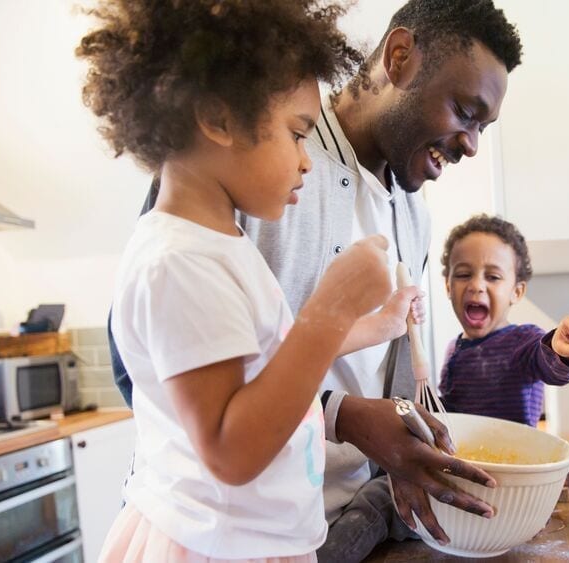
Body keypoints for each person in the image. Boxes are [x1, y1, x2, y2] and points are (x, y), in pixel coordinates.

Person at [106, 1, 523, 560]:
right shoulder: (242, 169)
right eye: (465, 111)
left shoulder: (413, 212)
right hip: (227, 537)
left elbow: (293, 344)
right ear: (400, 57)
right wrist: (343, 413)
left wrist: (402, 451)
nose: (472, 143)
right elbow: (144, 369)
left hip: (341, 523)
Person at [77, 1, 400, 559]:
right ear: (218, 118)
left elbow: (272, 351)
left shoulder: (221, 246)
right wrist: (332, 306)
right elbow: (231, 452)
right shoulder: (178, 263)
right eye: (299, 134)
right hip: (214, 547)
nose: (308, 161)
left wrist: (376, 322)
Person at [438, 214, 569, 427]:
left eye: (493, 277)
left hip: (517, 459)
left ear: (516, 291)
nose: (476, 285)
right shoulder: (453, 349)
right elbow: (453, 413)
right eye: (464, 274)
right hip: (463, 459)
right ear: (448, 287)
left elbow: (550, 364)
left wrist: (564, 353)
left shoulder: (523, 342)